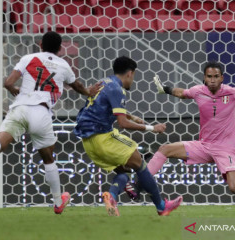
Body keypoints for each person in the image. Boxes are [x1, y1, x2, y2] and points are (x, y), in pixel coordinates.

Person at [130, 61, 235, 212]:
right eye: (209, 76)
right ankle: (138, 185)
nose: (213, 80)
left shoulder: (234, 93)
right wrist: (164, 89)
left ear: (221, 78)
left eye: (216, 76)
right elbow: (181, 93)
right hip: (203, 146)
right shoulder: (198, 91)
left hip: (225, 150)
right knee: (164, 149)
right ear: (204, 78)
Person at [0, 31, 100, 214]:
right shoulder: (63, 65)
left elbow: (8, 82)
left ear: (40, 45)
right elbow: (76, 86)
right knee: (48, 158)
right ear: (60, 49)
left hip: (20, 107)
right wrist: (88, 92)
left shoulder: (29, 58)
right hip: (41, 111)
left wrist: (14, 89)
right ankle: (57, 202)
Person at [73, 56, 183, 216]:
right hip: (103, 138)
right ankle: (161, 206)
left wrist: (131, 116)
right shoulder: (117, 89)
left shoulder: (104, 82)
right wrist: (153, 128)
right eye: (134, 76)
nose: (132, 80)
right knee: (139, 162)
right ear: (130, 73)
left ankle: (112, 196)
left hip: (88, 142)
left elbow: (104, 106)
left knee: (123, 172)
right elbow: (123, 124)